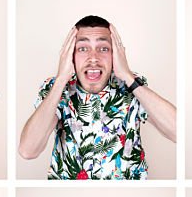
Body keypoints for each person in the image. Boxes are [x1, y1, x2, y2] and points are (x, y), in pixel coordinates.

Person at [18, 16, 176, 180]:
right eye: (83, 49)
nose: (93, 58)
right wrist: (61, 80)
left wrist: (128, 76)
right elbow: (28, 150)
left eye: (103, 49)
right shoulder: (55, 88)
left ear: (115, 54)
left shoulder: (132, 84)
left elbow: (178, 132)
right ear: (70, 55)